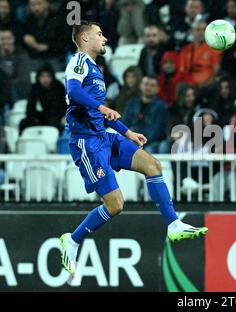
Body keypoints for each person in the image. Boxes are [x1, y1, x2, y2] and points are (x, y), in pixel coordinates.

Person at [60, 21, 207, 274]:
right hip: (87, 143)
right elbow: (73, 91)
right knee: (115, 205)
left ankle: (173, 224)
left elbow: (100, 114)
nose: (104, 38)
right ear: (84, 38)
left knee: (153, 165)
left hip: (105, 136)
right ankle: (72, 240)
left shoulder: (95, 68)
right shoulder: (78, 62)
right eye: (99, 34)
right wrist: (102, 107)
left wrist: (127, 132)